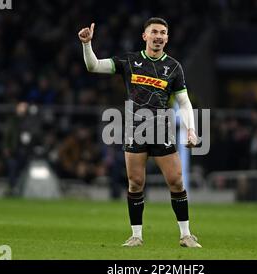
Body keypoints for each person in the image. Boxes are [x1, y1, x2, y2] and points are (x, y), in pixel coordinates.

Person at [78, 17, 201, 248]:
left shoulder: (173, 67)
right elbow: (93, 66)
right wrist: (87, 45)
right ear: (145, 36)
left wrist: (191, 130)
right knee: (135, 183)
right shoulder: (129, 60)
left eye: (163, 32)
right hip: (136, 129)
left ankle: (186, 235)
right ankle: (136, 236)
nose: (158, 36)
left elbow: (184, 103)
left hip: (162, 129)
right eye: (154, 31)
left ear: (167, 38)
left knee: (176, 181)